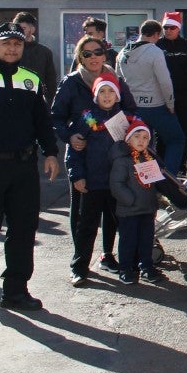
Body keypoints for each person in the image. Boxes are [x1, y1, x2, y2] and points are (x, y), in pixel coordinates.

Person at [0, 24, 61, 310]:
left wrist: (51, 152)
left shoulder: (30, 79)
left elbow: (42, 121)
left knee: (23, 228)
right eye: (6, 43)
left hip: (23, 167)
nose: (12, 48)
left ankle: (16, 290)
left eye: (17, 44)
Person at [52, 34, 137, 275]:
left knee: (113, 212)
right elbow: (56, 117)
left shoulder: (116, 79)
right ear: (80, 57)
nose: (93, 57)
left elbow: (132, 111)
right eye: (87, 54)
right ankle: (80, 261)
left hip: (114, 160)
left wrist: (131, 133)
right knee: (83, 215)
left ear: (104, 54)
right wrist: (70, 136)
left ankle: (107, 255)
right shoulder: (72, 82)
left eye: (98, 52)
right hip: (83, 156)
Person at [66, 74, 129, 287]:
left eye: (111, 91)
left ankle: (116, 260)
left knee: (117, 222)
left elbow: (139, 145)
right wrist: (77, 176)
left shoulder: (125, 119)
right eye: (102, 91)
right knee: (87, 226)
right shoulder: (87, 119)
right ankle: (79, 267)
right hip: (92, 182)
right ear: (95, 95)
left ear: (118, 95)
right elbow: (74, 151)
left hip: (117, 183)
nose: (107, 95)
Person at [118, 20, 186, 179]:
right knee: (176, 139)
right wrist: (170, 103)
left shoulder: (122, 53)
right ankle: (168, 179)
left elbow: (119, 80)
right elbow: (165, 81)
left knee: (142, 145)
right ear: (156, 34)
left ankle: (144, 180)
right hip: (156, 105)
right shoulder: (155, 52)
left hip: (134, 106)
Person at [108, 118, 164, 285]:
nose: (141, 141)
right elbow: (116, 184)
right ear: (128, 139)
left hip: (147, 209)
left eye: (145, 137)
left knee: (146, 240)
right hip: (129, 211)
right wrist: (130, 199)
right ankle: (125, 269)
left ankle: (146, 266)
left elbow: (155, 182)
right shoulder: (122, 160)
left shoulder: (149, 158)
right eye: (137, 136)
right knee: (128, 241)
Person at [157, 12, 187, 166]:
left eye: (172, 27)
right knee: (162, 133)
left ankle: (181, 165)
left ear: (178, 28)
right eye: (165, 27)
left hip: (184, 96)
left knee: (184, 132)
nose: (168, 30)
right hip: (162, 97)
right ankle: (161, 166)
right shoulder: (157, 46)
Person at [12, 13, 59, 108]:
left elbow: (51, 82)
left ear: (32, 29)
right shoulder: (11, 51)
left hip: (38, 101)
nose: (19, 31)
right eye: (17, 28)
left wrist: (49, 104)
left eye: (23, 28)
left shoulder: (44, 52)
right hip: (14, 99)